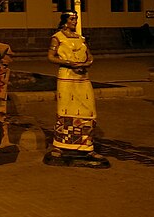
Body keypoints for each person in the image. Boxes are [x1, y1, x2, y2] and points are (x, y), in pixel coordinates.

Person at [44, 11, 110, 168]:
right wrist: (68, 62)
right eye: (72, 19)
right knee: (66, 109)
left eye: (76, 19)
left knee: (88, 110)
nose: (75, 21)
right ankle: (60, 146)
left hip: (82, 77)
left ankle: (86, 146)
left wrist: (87, 63)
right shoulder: (58, 37)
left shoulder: (81, 39)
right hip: (67, 77)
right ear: (65, 21)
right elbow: (51, 56)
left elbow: (90, 56)